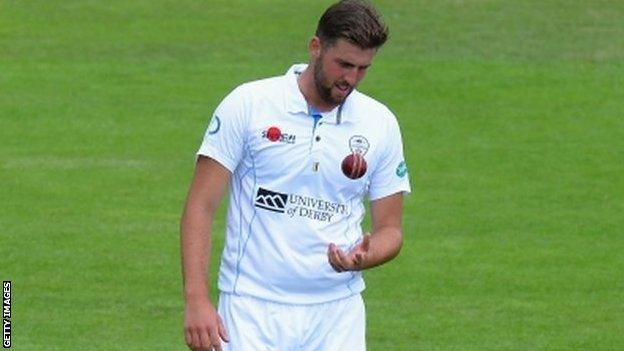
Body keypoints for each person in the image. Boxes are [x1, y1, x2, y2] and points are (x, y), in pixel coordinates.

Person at [180, 0, 411, 350]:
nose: (351, 79)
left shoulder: (380, 124)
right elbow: (200, 206)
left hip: (337, 314)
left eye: (363, 68)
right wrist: (196, 300)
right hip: (251, 308)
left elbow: (390, 230)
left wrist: (365, 256)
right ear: (315, 47)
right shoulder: (249, 104)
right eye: (344, 64)